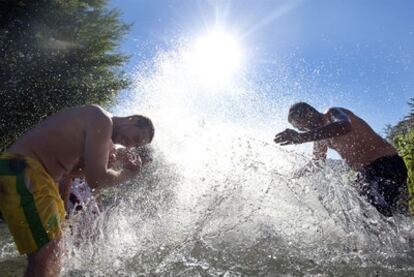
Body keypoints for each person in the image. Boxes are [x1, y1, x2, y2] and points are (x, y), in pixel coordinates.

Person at [0, 105, 154, 277]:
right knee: (47, 255)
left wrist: (94, 167)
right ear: (132, 119)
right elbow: (96, 180)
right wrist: (127, 174)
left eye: (135, 144)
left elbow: (68, 173)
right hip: (24, 169)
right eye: (136, 137)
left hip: (38, 178)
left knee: (56, 253)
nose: (130, 143)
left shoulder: (103, 138)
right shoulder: (101, 119)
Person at [274, 102, 408, 217]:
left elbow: (344, 126)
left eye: (300, 126)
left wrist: (301, 137)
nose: (301, 130)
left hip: (385, 164)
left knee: (380, 215)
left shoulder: (332, 113)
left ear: (309, 114)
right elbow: (317, 162)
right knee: (362, 213)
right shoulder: (320, 136)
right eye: (298, 129)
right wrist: (290, 177)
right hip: (366, 173)